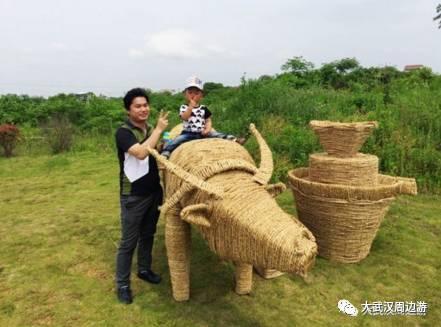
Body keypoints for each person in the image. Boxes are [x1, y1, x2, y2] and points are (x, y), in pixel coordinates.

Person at [114, 88, 169, 304]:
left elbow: (158, 148)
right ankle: (123, 285)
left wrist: (163, 138)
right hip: (133, 196)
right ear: (128, 109)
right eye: (138, 106)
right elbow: (141, 153)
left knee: (148, 234)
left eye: (145, 105)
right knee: (129, 242)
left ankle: (144, 270)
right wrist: (158, 130)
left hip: (154, 191)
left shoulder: (149, 129)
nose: (143, 109)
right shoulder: (123, 132)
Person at [161, 76, 246, 158]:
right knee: (177, 140)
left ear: (201, 96)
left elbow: (208, 120)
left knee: (216, 134)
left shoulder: (203, 108)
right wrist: (190, 107)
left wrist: (208, 129)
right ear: (185, 94)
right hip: (188, 133)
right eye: (190, 93)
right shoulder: (184, 107)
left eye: (197, 93)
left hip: (202, 133)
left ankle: (233, 139)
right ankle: (166, 151)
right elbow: (184, 117)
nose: (193, 95)